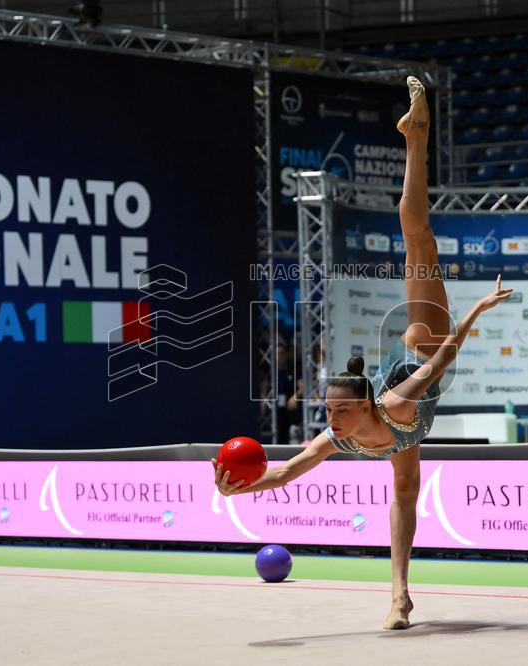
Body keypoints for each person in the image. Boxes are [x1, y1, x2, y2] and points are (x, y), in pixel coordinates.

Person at [212, 76, 512, 630]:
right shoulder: (346, 430)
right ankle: (401, 593)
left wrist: (476, 310)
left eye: (337, 411)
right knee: (405, 492)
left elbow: (443, 358)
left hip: (425, 341)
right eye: (328, 410)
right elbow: (284, 474)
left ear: (367, 407)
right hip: (406, 421)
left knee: (416, 235)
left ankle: (416, 136)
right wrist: (237, 488)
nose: (329, 420)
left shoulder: (395, 403)